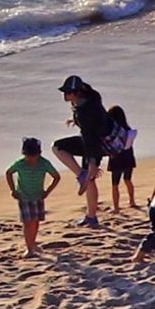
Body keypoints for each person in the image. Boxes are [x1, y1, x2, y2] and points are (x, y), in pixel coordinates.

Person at [55, 75, 114, 228]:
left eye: (68, 92)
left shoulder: (84, 112)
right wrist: (75, 121)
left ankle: (81, 175)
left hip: (95, 146)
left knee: (57, 147)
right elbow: (96, 122)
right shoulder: (92, 98)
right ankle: (91, 216)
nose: (65, 95)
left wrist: (93, 163)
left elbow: (90, 138)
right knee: (90, 180)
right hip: (101, 142)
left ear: (77, 93)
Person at [6, 137, 62, 256]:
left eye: (33, 156)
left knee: (36, 221)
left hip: (38, 196)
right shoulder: (20, 164)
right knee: (27, 222)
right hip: (24, 196)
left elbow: (56, 177)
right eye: (28, 156)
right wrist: (13, 190)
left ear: (39, 154)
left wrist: (48, 191)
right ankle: (29, 248)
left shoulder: (44, 163)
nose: (31, 159)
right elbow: (9, 172)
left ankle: (33, 242)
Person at [103, 104, 139, 210]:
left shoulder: (112, 131)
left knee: (115, 184)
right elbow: (128, 145)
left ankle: (116, 207)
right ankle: (132, 201)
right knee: (128, 180)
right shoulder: (129, 130)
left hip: (116, 157)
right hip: (128, 156)